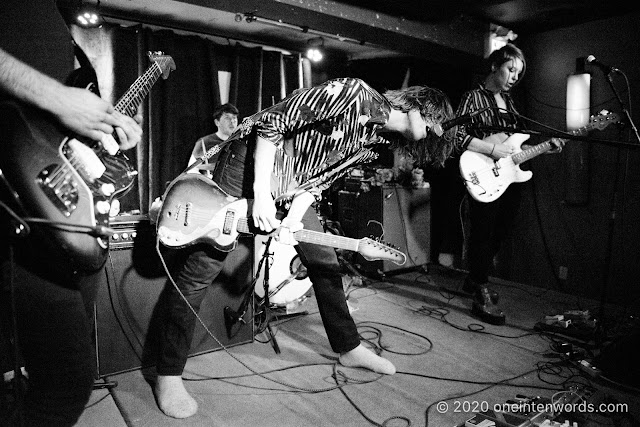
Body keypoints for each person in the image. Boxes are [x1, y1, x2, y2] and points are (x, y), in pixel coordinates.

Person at [153, 77, 456, 418]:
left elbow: (319, 180)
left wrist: (294, 219)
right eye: (438, 122)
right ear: (420, 107)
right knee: (200, 270)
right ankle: (167, 372)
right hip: (249, 166)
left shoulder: (376, 141)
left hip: (291, 184)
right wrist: (263, 196)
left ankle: (349, 346)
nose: (437, 131)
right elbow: (271, 125)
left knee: (325, 261)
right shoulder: (354, 95)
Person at [0, 2, 143, 426]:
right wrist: (55, 96)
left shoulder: (52, 18)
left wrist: (101, 127)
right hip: (14, 188)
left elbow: (51, 118)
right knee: (65, 382)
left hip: (39, 193)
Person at [455, 43, 562, 325]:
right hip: (482, 171)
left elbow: (515, 147)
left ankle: (475, 279)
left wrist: (544, 148)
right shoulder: (473, 97)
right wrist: (491, 150)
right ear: (495, 66)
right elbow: (454, 135)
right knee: (483, 229)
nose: (515, 76)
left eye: (519, 73)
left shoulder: (511, 104)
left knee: (502, 229)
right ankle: (480, 286)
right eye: (510, 69)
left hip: (508, 176)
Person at [186, 103, 239, 178]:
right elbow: (191, 170)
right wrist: (206, 180)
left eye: (234, 117)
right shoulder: (204, 142)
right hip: (212, 186)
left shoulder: (241, 143)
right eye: (227, 118)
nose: (232, 121)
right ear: (217, 122)